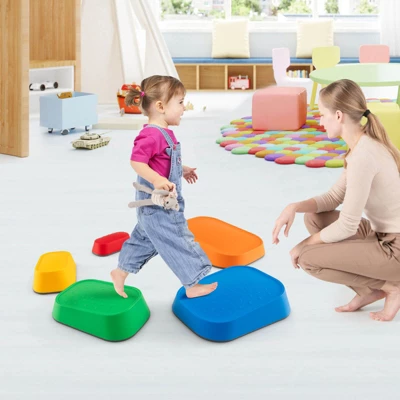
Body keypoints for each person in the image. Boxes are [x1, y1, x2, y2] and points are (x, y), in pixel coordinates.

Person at [272, 79, 400, 322]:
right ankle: (369, 290)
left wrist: (304, 244)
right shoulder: (361, 146)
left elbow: (348, 225)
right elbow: (332, 198)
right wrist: (294, 207)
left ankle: (391, 286)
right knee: (314, 217)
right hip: (381, 233)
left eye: (322, 114)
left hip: (395, 249)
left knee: (308, 259)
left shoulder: (364, 155)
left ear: (339, 115)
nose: (320, 122)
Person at [111, 75, 217, 299]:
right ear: (160, 106)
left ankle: (121, 271)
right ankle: (192, 284)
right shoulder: (151, 134)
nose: (184, 108)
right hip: (160, 206)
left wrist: (181, 169)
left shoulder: (163, 133)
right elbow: (137, 161)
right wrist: (158, 180)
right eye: (180, 102)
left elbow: (161, 161)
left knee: (143, 241)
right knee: (179, 239)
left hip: (151, 209)